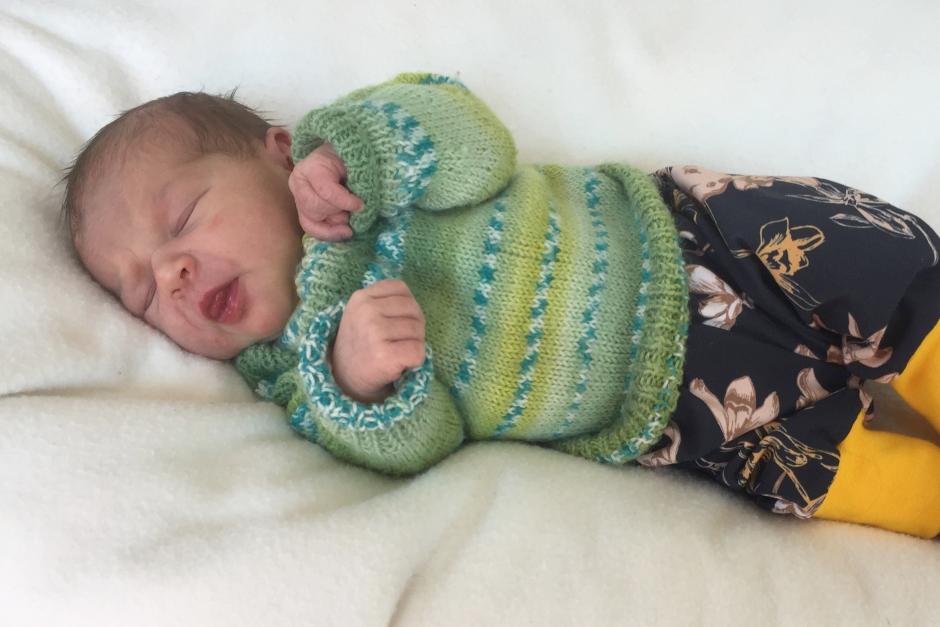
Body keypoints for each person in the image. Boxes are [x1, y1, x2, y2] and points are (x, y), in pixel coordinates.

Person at [62, 72, 940, 537]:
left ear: (278, 151)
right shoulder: (302, 375)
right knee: (848, 478)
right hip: (689, 411)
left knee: (886, 274)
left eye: (182, 219)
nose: (174, 275)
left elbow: (476, 142)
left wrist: (356, 153)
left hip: (698, 241)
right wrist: (360, 383)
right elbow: (425, 442)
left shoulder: (364, 161)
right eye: (144, 293)